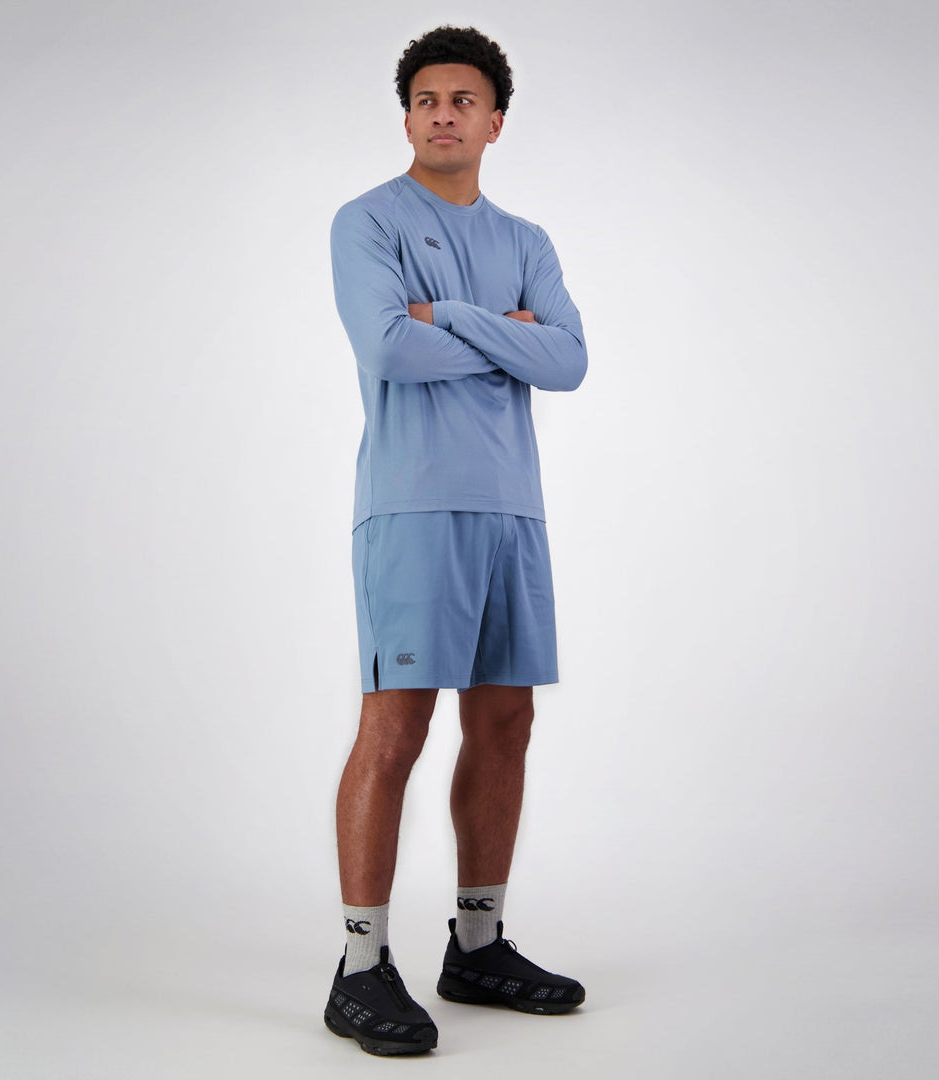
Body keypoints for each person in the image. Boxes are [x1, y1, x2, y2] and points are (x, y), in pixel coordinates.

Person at [325, 25, 588, 1056]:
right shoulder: (368, 221)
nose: (445, 114)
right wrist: (504, 332)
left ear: (495, 123)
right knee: (396, 726)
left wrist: (454, 317)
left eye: (463, 100)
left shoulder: (529, 240)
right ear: (408, 118)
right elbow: (388, 345)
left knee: (507, 720)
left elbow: (567, 360)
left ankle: (477, 947)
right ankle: (360, 967)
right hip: (412, 505)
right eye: (427, 99)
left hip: (511, 509)